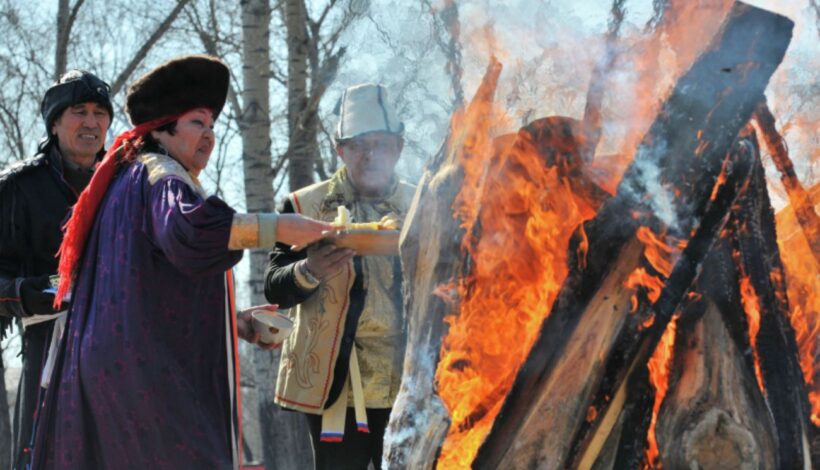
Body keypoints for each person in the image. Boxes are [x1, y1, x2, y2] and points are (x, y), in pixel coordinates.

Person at [30, 55, 330, 470]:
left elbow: (154, 291)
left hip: (119, 371)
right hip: (147, 379)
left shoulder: (130, 175)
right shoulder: (163, 177)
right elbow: (191, 232)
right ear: (165, 126)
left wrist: (233, 320)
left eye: (211, 126)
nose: (208, 136)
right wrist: (278, 227)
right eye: (196, 123)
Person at [265, 83, 416, 469]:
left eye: (381, 144)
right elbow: (275, 285)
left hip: (409, 381)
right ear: (340, 150)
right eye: (358, 145)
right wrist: (310, 269)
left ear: (398, 148)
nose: (370, 156)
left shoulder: (422, 204)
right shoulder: (304, 205)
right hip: (334, 382)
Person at [0, 70, 113, 469]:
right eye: (78, 111)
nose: (91, 122)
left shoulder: (129, 183)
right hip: (48, 347)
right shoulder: (18, 187)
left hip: (123, 352)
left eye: (100, 113)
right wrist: (28, 293)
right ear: (54, 122)